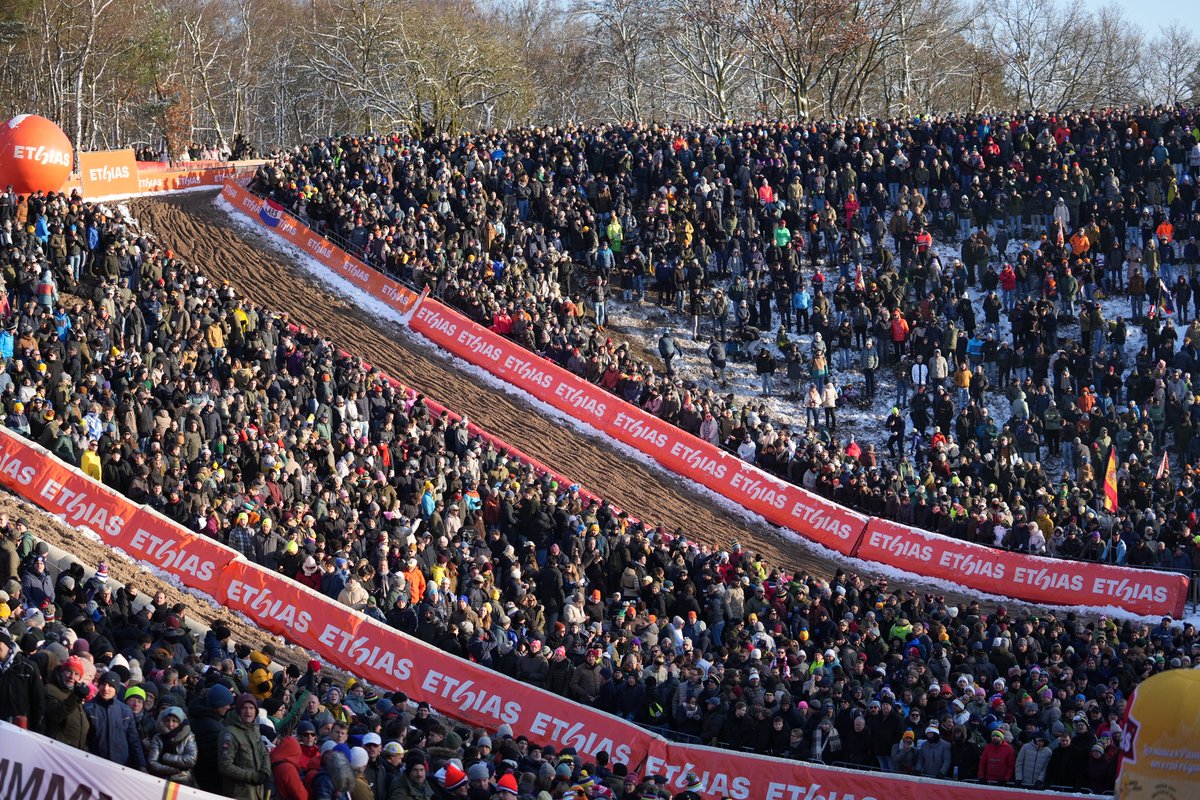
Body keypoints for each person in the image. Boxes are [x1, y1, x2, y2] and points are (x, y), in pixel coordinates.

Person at [84, 671, 146, 769]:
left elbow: (134, 741)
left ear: (116, 689)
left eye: (110, 685)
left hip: (120, 767)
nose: (106, 688)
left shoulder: (125, 711)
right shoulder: (89, 708)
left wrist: (142, 766)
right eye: (103, 684)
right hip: (93, 764)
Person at [219, 693, 271, 800]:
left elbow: (264, 752)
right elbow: (225, 766)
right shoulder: (229, 733)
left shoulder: (254, 729)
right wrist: (253, 777)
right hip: (239, 793)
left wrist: (265, 771)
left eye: (251, 708)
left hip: (257, 792)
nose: (248, 711)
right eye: (244, 708)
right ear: (239, 710)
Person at [44, 656, 89, 748]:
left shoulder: (75, 694)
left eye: (76, 674)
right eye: (69, 671)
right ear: (61, 672)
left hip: (75, 750)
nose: (72, 677)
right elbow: (56, 715)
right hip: (57, 747)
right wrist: (76, 696)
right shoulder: (51, 689)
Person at [148, 706, 198, 785]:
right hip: (160, 780)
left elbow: (191, 759)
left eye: (174, 721)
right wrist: (173, 770)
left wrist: (166, 757)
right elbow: (152, 763)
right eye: (168, 720)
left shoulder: (188, 736)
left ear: (180, 722)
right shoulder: (158, 738)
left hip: (183, 780)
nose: (170, 724)